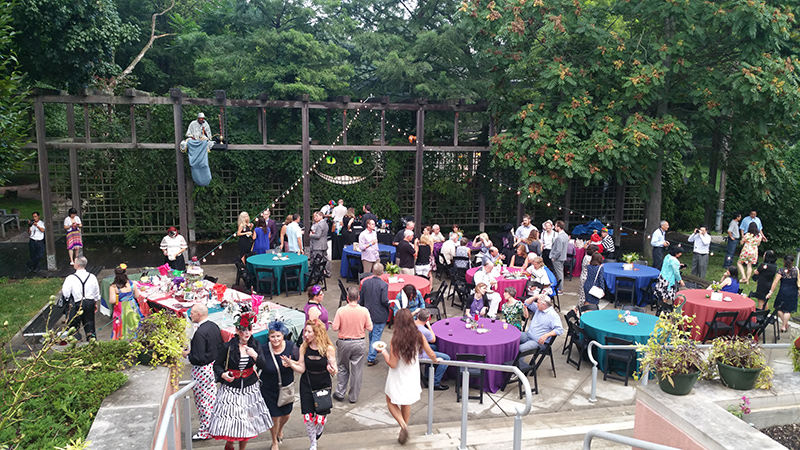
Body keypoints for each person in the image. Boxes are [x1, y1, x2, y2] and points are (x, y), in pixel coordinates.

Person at [376, 308, 443, 445]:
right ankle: (404, 429)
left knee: (390, 400)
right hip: (412, 373)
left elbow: (393, 364)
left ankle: (403, 426)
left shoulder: (396, 340)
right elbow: (430, 352)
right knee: (406, 402)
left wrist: (383, 352)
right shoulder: (419, 335)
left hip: (398, 374)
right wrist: (436, 360)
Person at [209, 310, 273, 448]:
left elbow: (263, 365)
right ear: (237, 330)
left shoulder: (255, 345)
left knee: (247, 421)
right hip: (231, 386)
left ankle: (242, 448)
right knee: (232, 419)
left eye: (249, 329)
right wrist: (223, 375)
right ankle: (230, 442)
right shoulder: (228, 346)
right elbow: (217, 365)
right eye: (243, 330)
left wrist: (255, 355)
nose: (246, 333)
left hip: (250, 386)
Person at [280, 319, 336, 450]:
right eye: (306, 331)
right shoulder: (304, 347)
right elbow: (302, 368)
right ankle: (313, 443)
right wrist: (291, 364)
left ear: (317, 333)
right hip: (307, 383)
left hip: (323, 384)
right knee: (308, 416)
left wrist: (332, 370)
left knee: (321, 419)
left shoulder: (328, 349)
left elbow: (335, 368)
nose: (305, 334)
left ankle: (319, 428)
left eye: (308, 332)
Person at [184, 304, 222, 442]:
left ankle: (206, 431)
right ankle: (214, 427)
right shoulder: (213, 326)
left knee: (203, 402)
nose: (190, 315)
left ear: (199, 315)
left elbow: (198, 358)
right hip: (212, 367)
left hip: (202, 370)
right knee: (211, 400)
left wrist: (187, 356)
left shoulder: (200, 333)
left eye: (192, 313)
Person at [260, 321, 298, 450]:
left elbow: (300, 363)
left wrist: (291, 363)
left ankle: (280, 429)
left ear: (283, 335)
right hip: (268, 388)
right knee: (274, 417)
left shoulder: (291, 347)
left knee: (286, 414)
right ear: (269, 337)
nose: (275, 339)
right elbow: (256, 363)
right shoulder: (264, 349)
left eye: (278, 336)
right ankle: (274, 441)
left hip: (286, 387)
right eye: (272, 336)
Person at [331, 286, 373, 403]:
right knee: (357, 371)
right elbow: (370, 327)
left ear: (347, 298)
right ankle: (353, 396)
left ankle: (340, 392)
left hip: (344, 342)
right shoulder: (364, 311)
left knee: (342, 367)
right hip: (359, 342)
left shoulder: (341, 311)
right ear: (358, 298)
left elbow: (335, 328)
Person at [61, 256, 99, 341]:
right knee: (90, 325)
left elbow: (66, 293)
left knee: (74, 326)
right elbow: (96, 292)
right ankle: (92, 343)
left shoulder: (71, 278)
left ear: (77, 265)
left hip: (76, 303)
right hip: (89, 303)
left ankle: (77, 342)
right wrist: (95, 303)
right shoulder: (92, 277)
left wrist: (68, 301)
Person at [360, 263, 390, 366]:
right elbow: (384, 300)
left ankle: (373, 349)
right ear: (382, 273)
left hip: (368, 313)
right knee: (376, 334)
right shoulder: (384, 285)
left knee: (372, 333)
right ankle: (371, 358)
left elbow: (361, 299)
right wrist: (389, 305)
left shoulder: (366, 283)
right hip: (380, 314)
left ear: (372, 271)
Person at [414, 309, 451, 391]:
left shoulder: (411, 323)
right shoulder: (425, 331)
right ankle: (436, 383)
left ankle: (427, 374)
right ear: (427, 319)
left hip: (414, 349)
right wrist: (429, 326)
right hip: (419, 354)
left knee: (435, 347)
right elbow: (433, 339)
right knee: (447, 358)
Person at [108, 264, 143, 341]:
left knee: (120, 325)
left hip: (120, 308)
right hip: (132, 306)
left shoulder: (113, 287)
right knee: (134, 324)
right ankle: (136, 339)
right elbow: (137, 296)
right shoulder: (132, 283)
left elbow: (112, 300)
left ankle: (121, 339)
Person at [767, 255, 799, 333]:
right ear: (792, 262)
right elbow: (799, 281)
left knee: (779, 308)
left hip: (783, 292)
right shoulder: (796, 270)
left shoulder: (781, 271)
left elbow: (775, 282)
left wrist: (770, 292)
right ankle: (784, 325)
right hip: (793, 292)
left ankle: (785, 324)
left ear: (784, 261)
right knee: (788, 311)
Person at [550, 220, 569, 290]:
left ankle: (560, 289)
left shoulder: (559, 237)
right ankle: (559, 288)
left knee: (559, 274)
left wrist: (554, 257)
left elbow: (558, 250)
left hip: (557, 258)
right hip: (562, 257)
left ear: (558, 227)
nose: (554, 227)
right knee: (560, 273)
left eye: (555, 226)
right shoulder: (566, 236)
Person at [309, 211, 329, 276]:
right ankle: (328, 272)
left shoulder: (320, 225)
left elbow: (318, 236)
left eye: (317, 216)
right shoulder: (325, 223)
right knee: (325, 259)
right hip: (324, 244)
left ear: (321, 216)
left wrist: (311, 235)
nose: (315, 218)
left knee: (318, 261)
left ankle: (319, 274)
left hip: (318, 245)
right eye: (315, 216)